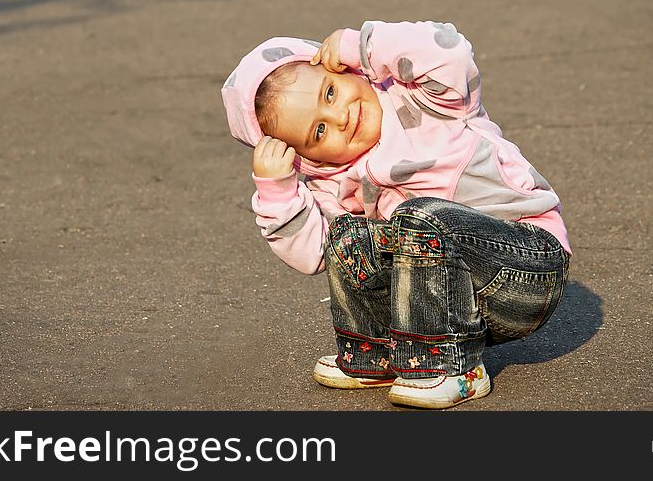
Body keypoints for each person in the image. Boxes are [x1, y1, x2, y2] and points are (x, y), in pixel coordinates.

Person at [221, 20, 572, 409]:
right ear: (305, 157)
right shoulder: (335, 181)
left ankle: (455, 368)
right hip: (446, 299)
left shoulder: (424, 100)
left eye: (331, 92)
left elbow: (450, 53)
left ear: (344, 69)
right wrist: (279, 192)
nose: (340, 117)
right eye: (319, 131)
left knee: (417, 217)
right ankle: (379, 354)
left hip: (525, 267)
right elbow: (316, 254)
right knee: (347, 236)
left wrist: (364, 46)